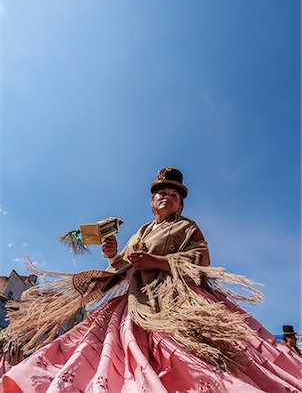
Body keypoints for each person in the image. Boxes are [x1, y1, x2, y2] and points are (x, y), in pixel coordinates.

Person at [0, 168, 301, 393]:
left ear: (180, 205)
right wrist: (113, 255)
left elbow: (202, 260)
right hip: (135, 302)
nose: (167, 197)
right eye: (162, 193)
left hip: (177, 301)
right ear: (151, 201)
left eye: (174, 195)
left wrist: (157, 262)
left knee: (185, 352)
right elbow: (123, 267)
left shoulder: (186, 227)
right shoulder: (140, 232)